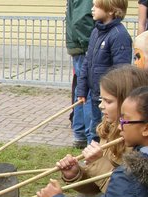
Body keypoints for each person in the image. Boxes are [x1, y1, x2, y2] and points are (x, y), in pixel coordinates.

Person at [38, 66, 148, 197]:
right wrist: (75, 174)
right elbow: (95, 187)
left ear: (129, 103)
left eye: (108, 101)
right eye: (101, 99)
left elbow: (121, 194)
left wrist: (101, 160)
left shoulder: (142, 144)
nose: (101, 106)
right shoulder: (110, 130)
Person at [75, 0, 132, 144]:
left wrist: (114, 97)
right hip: (95, 95)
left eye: (96, 6)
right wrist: (81, 90)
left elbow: (121, 71)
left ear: (111, 10)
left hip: (108, 99)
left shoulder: (119, 35)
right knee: (94, 129)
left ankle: (105, 160)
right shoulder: (96, 31)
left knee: (108, 131)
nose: (92, 9)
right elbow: (87, 63)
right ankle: (92, 161)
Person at [66, 0, 95, 149]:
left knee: (81, 90)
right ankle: (90, 137)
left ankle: (80, 134)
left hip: (79, 45)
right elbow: (82, 19)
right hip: (84, 46)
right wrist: (91, 43)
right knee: (88, 92)